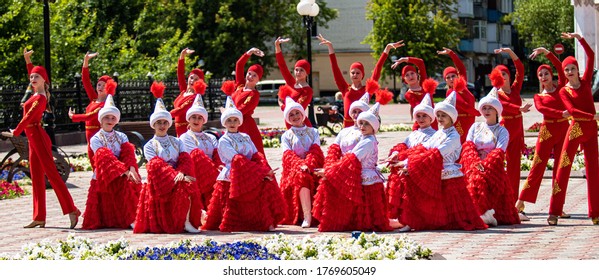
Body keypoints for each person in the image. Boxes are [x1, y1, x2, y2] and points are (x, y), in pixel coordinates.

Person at [6, 48, 80, 229]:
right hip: (32, 139)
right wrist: (27, 61)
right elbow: (34, 74)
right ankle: (39, 216)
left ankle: (72, 210)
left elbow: (29, 116)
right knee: (37, 178)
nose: (32, 79)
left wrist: (17, 130)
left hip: (38, 137)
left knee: (52, 175)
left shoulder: (40, 98)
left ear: (43, 80)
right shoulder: (34, 94)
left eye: (35, 77)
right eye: (31, 77)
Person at [396, 92, 487, 232]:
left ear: (451, 117)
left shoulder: (454, 136)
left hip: (449, 175)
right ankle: (412, 220)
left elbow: (436, 153)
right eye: (438, 116)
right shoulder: (438, 133)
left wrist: (411, 165)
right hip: (436, 171)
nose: (439, 119)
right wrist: (405, 161)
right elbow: (423, 149)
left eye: (443, 115)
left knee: (458, 217)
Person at [202, 97, 286, 232]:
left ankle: (264, 221)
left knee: (263, 189)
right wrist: (260, 172)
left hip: (250, 171)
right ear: (224, 122)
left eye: (235, 120)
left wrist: (263, 167)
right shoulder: (223, 140)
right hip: (233, 174)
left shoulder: (245, 136)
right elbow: (237, 160)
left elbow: (255, 154)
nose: (232, 123)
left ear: (239, 122)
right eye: (229, 120)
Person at [134, 81, 203, 233]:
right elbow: (155, 166)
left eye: (165, 122)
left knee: (187, 185)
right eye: (159, 122)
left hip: (178, 176)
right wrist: (176, 176)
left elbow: (185, 159)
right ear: (153, 124)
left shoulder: (177, 141)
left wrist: (182, 173)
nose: (162, 125)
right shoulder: (149, 146)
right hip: (160, 181)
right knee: (183, 184)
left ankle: (186, 221)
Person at [313, 103, 392, 232]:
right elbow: (343, 154)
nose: (362, 126)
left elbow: (352, 158)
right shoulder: (360, 137)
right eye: (361, 123)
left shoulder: (368, 141)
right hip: (354, 173)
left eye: (367, 124)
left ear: (374, 127)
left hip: (365, 178)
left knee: (370, 219)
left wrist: (329, 171)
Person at [548, 32, 599, 226]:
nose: (569, 72)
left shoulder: (586, 83)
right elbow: (572, 111)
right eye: (566, 70)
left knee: (594, 171)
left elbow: (591, 56)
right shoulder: (563, 91)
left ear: (578, 70)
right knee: (563, 169)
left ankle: (595, 212)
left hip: (591, 132)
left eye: (572, 69)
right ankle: (553, 211)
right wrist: (592, 116)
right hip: (576, 130)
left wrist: (579, 38)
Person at [516, 47, 569, 221]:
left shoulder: (561, 87)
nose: (544, 77)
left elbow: (561, 67)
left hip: (563, 129)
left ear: (551, 75)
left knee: (561, 170)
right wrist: (560, 114)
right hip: (547, 131)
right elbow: (543, 109)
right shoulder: (538, 96)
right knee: (537, 166)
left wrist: (546, 52)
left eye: (546, 73)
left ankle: (557, 207)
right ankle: (520, 202)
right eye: (541, 75)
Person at [460, 87, 520, 226]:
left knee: (480, 179)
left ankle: (484, 213)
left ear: (496, 111)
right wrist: (475, 163)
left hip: (492, 168)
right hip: (473, 165)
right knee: (474, 177)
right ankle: (479, 213)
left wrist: (485, 165)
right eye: (484, 108)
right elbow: (468, 146)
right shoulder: (475, 127)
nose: (486, 111)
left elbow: (499, 151)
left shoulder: (502, 131)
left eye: (490, 108)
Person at [317, 33, 403, 127]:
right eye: (352, 72)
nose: (355, 75)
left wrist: (387, 49)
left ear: (362, 75)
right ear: (350, 74)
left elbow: (377, 71)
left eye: (358, 73)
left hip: (363, 127)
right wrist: (330, 47)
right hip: (347, 127)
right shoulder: (345, 88)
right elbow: (335, 69)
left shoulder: (367, 89)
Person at [81, 94, 141, 229]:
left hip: (124, 170)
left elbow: (128, 154)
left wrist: (131, 169)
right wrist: (124, 171)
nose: (110, 120)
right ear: (101, 120)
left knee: (131, 182)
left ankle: (132, 217)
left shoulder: (122, 136)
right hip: (105, 172)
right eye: (107, 117)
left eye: (113, 118)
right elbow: (105, 158)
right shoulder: (96, 139)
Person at [384, 81, 438, 224]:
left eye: (424, 116)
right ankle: (401, 215)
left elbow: (428, 153)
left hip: (422, 169)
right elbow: (404, 144)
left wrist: (409, 161)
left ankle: (413, 217)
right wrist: (396, 152)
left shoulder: (434, 134)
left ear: (431, 118)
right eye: (418, 116)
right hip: (409, 166)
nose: (420, 119)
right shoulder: (414, 133)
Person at [493, 47, 532, 204]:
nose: (502, 77)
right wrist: (519, 108)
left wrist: (510, 52)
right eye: (499, 76)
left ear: (508, 76)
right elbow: (506, 107)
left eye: (504, 74)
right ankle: (500, 198)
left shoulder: (516, 89)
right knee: (502, 164)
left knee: (515, 167)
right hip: (505, 129)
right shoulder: (497, 95)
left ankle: (513, 200)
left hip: (517, 129)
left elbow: (520, 69)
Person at [279, 96, 324, 228]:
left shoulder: (313, 131)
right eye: (291, 115)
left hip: (314, 164)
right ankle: (307, 216)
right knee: (302, 176)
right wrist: (300, 165)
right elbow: (287, 155)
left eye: (297, 113)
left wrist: (308, 164)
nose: (295, 116)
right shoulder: (286, 135)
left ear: (302, 114)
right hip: (294, 168)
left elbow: (316, 150)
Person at [68, 52, 113, 170]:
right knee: (94, 167)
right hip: (89, 137)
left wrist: (74, 117)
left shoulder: (105, 105)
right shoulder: (94, 99)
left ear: (109, 88)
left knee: (100, 166)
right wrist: (86, 61)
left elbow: (89, 116)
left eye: (104, 85)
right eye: (99, 84)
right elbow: (86, 81)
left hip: (98, 136)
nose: (100, 87)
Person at [179, 94, 223, 209]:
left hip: (212, 172)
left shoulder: (211, 137)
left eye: (200, 118)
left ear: (204, 120)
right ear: (188, 119)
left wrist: (219, 168)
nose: (196, 120)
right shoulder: (185, 137)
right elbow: (195, 158)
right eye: (194, 117)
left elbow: (217, 156)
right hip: (195, 171)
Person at [221, 48, 266, 154]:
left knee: (251, 153)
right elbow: (239, 65)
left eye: (254, 75)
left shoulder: (254, 94)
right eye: (249, 73)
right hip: (232, 121)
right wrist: (249, 52)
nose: (250, 77)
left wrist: (226, 112)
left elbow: (242, 110)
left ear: (258, 79)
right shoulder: (240, 85)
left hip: (245, 125)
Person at [438, 47, 479, 143]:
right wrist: (476, 112)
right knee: (462, 144)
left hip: (470, 120)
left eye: (453, 76)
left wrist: (451, 53)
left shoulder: (463, 86)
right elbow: (462, 104)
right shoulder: (450, 92)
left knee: (469, 143)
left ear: (457, 76)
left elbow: (461, 68)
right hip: (459, 122)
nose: (451, 79)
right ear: (446, 81)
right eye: (448, 77)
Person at [275, 37, 313, 128]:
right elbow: (282, 65)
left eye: (301, 70)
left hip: (300, 123)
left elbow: (296, 109)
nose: (298, 72)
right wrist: (277, 46)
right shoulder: (290, 82)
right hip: (289, 120)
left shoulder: (307, 91)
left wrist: (281, 104)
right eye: (296, 70)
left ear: (307, 73)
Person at [391, 54, 437, 130]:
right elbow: (420, 108)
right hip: (421, 125)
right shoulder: (408, 94)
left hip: (433, 123)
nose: (410, 76)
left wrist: (405, 59)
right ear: (404, 80)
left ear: (417, 75)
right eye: (407, 75)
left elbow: (420, 63)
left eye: (412, 73)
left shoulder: (424, 84)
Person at [171, 48, 207, 136]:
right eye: (191, 78)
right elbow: (180, 73)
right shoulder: (183, 91)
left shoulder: (194, 97)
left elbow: (180, 110)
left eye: (196, 79)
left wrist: (164, 115)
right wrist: (182, 56)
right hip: (177, 128)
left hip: (186, 129)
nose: (192, 81)